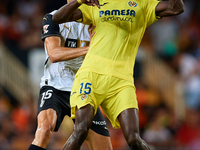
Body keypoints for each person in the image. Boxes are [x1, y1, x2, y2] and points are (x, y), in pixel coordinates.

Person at [52, 0, 185, 149]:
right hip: (91, 75)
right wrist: (80, 1)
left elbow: (177, 7)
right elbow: (57, 18)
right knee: (81, 129)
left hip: (122, 81)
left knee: (134, 139)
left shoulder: (143, 4)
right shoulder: (97, 3)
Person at [28, 2, 113, 150]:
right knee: (44, 130)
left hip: (84, 88)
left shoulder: (98, 20)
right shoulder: (52, 18)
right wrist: (90, 48)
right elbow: (54, 54)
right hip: (55, 86)